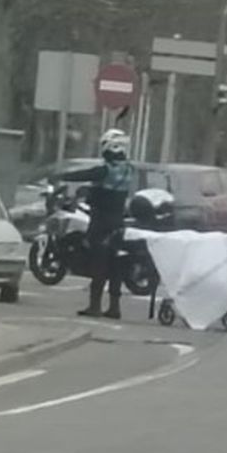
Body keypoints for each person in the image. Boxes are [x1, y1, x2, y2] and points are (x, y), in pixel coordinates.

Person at [60, 129, 136, 318]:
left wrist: (63, 176)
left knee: (98, 263)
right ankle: (114, 306)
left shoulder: (104, 170)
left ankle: (94, 305)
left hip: (101, 221)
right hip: (118, 221)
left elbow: (86, 174)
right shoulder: (128, 169)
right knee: (115, 264)